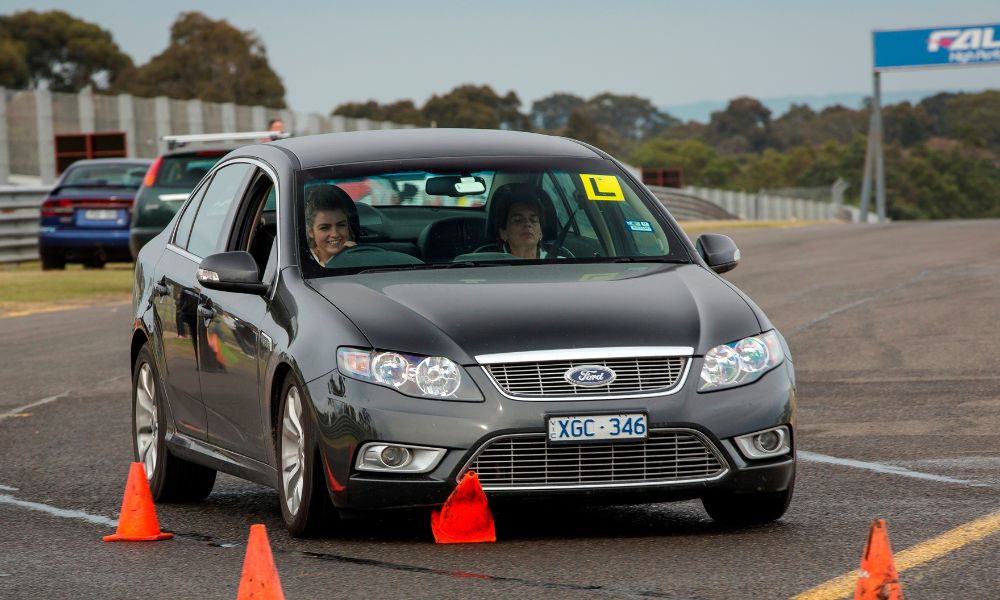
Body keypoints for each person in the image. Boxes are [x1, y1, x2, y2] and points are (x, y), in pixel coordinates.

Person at [491, 183, 556, 259]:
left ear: (540, 233)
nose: (528, 224)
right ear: (503, 233)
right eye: (518, 220)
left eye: (533, 220)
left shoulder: (561, 264)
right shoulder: (489, 266)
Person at [304, 184, 359, 265]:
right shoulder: (304, 265)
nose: (335, 234)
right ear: (311, 232)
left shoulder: (358, 257)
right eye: (325, 228)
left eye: (341, 225)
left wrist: (358, 258)